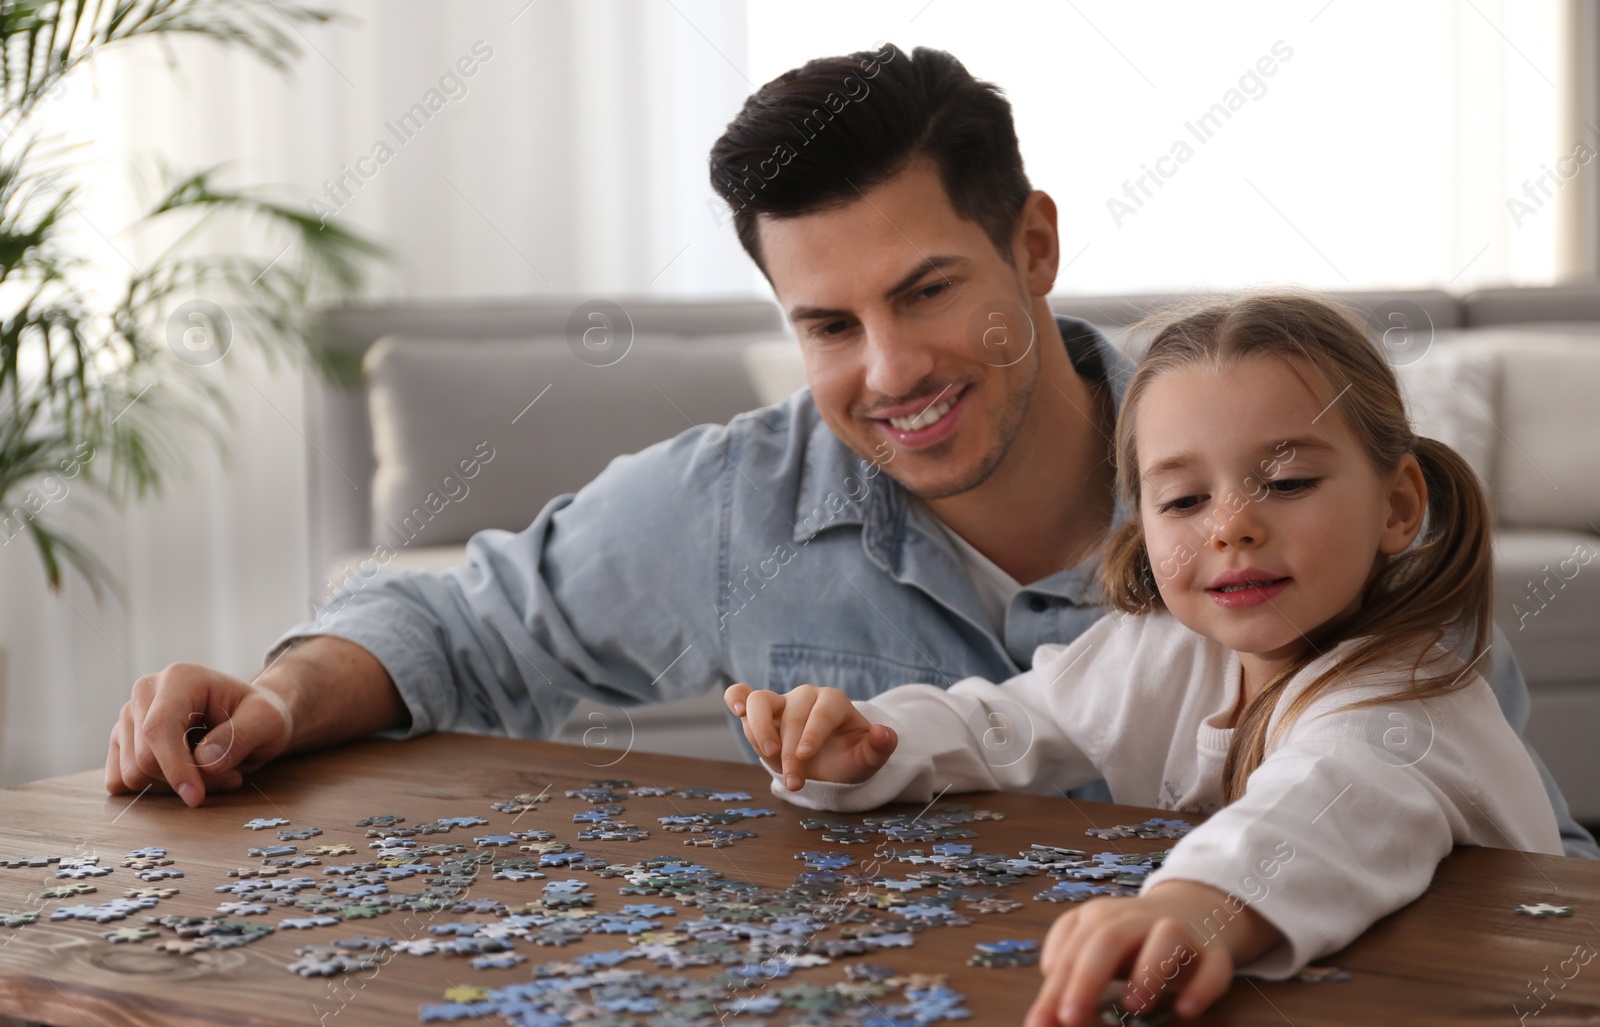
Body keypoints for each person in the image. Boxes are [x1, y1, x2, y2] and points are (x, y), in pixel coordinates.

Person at [100, 44, 1598, 861]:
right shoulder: (734, 501)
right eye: (828, 322)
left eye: (929, 291)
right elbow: (462, 620)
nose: (891, 374)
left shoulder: (1289, 488)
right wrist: (281, 698)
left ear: (1034, 244)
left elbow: (1501, 858)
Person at [722, 290, 1564, 1027]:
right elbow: (1011, 718)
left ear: (1400, 504)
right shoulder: (1167, 648)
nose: (1230, 525)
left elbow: (1323, 807)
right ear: (1143, 527)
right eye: (1185, 499)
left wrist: (1193, 902)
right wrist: (875, 740)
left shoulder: (1412, 703)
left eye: (1289, 480)